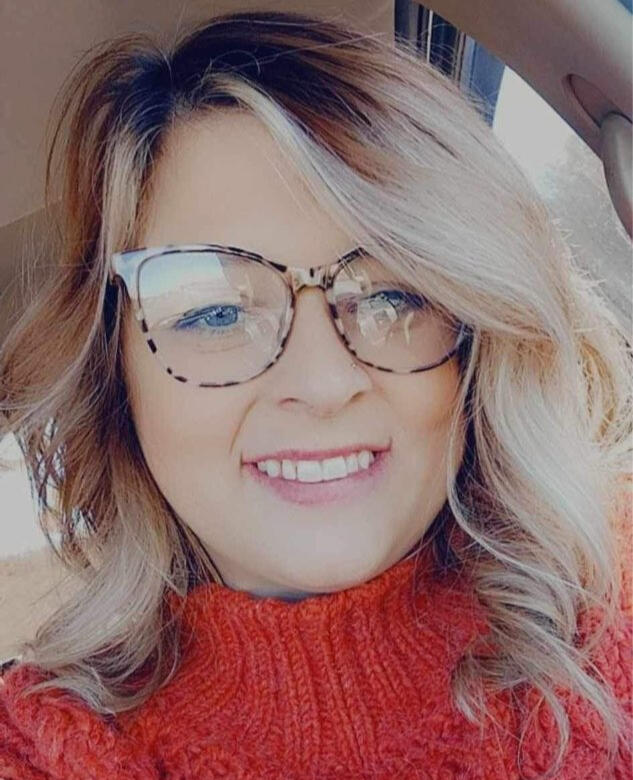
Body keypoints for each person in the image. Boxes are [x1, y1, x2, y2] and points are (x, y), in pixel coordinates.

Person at [0, 10, 630, 779]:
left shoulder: (612, 613)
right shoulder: (41, 748)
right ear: (114, 375)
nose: (323, 383)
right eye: (215, 312)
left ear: (474, 340)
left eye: (393, 297)